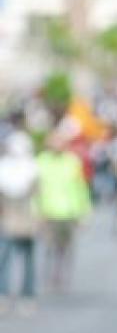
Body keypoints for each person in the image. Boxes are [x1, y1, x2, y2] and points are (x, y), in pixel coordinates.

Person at [35, 133, 92, 294]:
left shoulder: (72, 162)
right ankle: (50, 274)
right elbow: (35, 189)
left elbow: (80, 188)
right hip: (48, 211)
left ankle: (62, 274)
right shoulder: (41, 161)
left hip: (68, 212)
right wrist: (35, 211)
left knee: (65, 247)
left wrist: (84, 212)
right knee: (49, 245)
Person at [0, 129, 40, 315]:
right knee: (4, 259)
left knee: (28, 260)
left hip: (26, 222)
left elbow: (38, 198)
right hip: (7, 221)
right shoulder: (4, 168)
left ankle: (28, 295)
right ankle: (4, 295)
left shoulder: (32, 169)